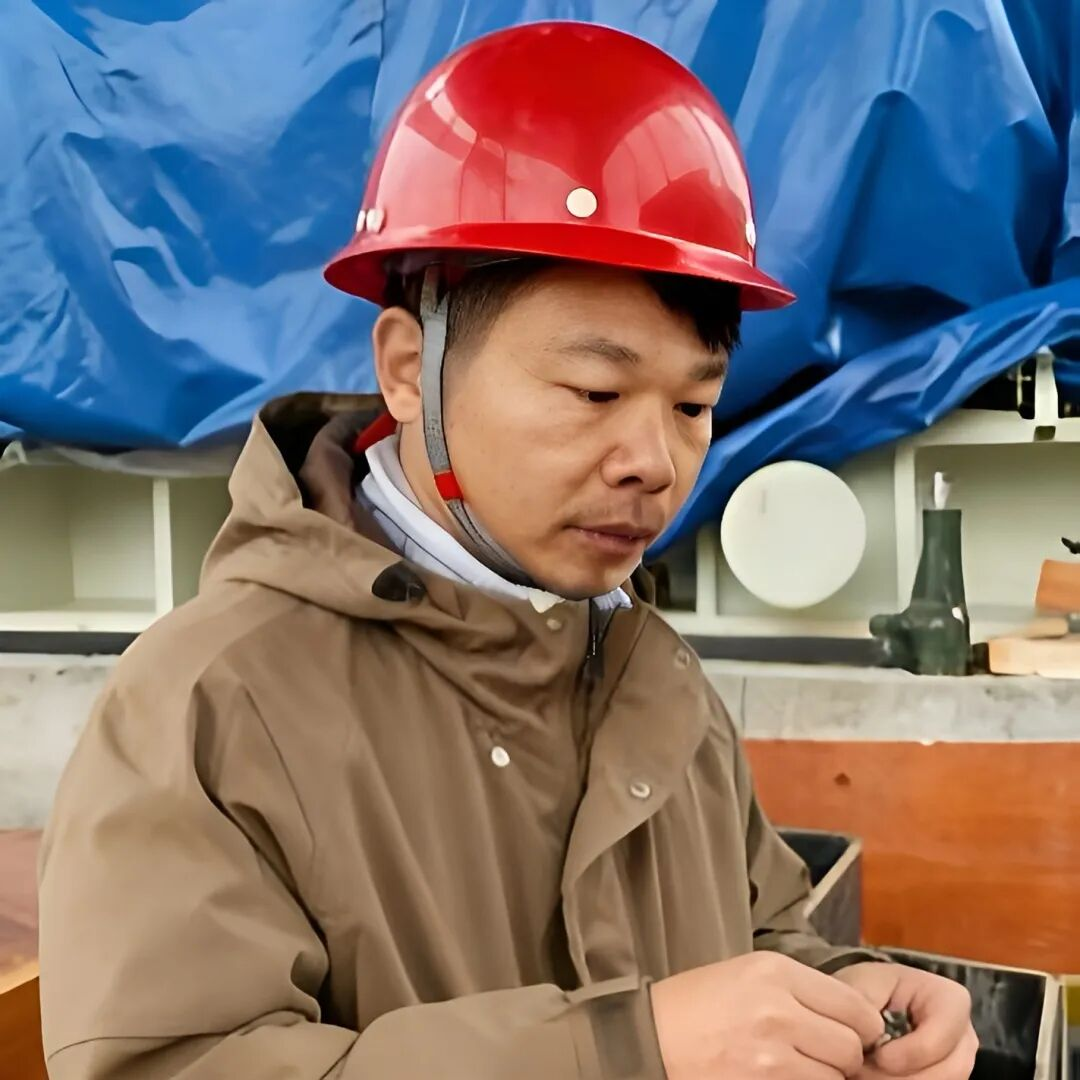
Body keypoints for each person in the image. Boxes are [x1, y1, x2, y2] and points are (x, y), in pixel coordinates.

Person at [37, 21, 977, 1080]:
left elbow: (755, 942)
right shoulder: (212, 703)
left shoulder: (651, 679)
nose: (654, 463)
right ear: (409, 370)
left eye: (692, 405)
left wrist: (846, 994)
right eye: (595, 391)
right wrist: (622, 1052)